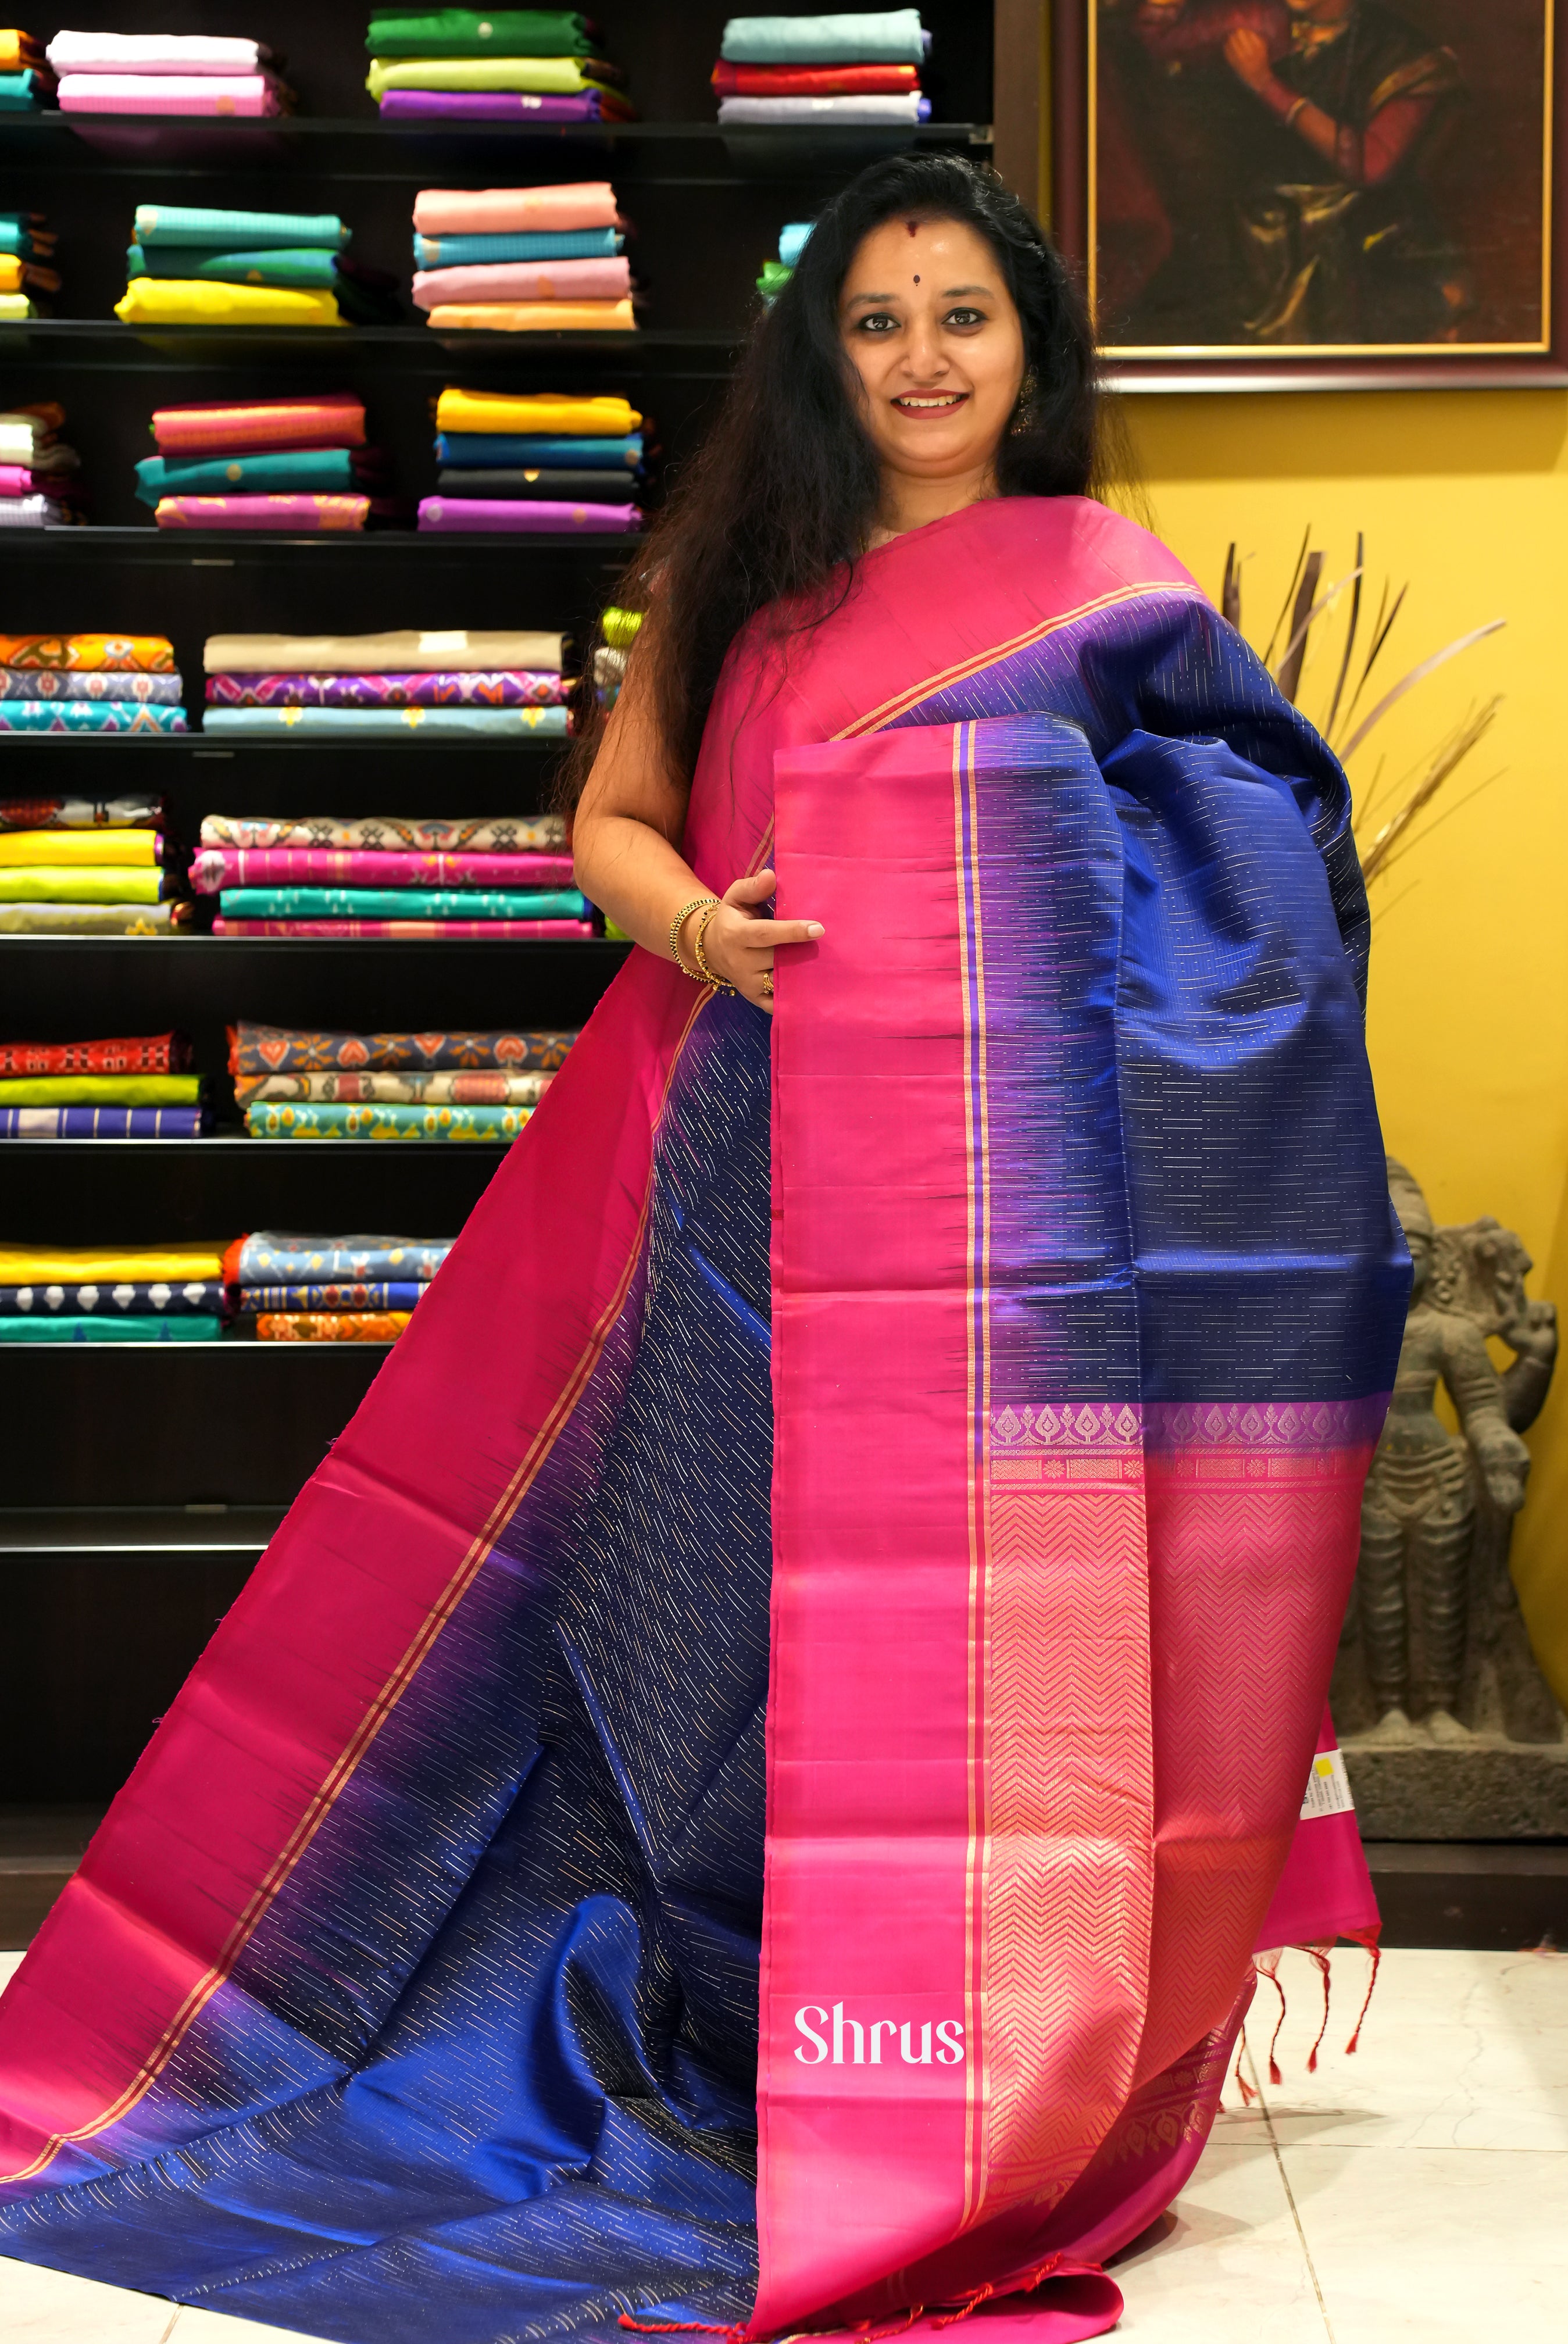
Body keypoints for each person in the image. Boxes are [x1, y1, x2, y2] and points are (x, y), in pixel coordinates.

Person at [0, 155, 1408, 2344]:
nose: (923, 358)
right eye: (875, 319)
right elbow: (609, 827)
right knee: (702, 1624)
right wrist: (703, 930)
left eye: (963, 315)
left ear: (1029, 349)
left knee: (972, 1663)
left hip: (999, 1247)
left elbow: (1252, 871)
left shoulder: (1105, 589)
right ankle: (730, 2014)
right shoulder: (737, 585)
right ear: (814, 354)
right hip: (741, 1198)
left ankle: (963, 2068)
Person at [1109, 0, 1466, 346]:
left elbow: (1368, 164)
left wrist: (1267, 85)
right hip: (1255, 235)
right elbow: (1155, 40)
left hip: (1360, 241)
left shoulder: (1404, 54)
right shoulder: (1259, 20)